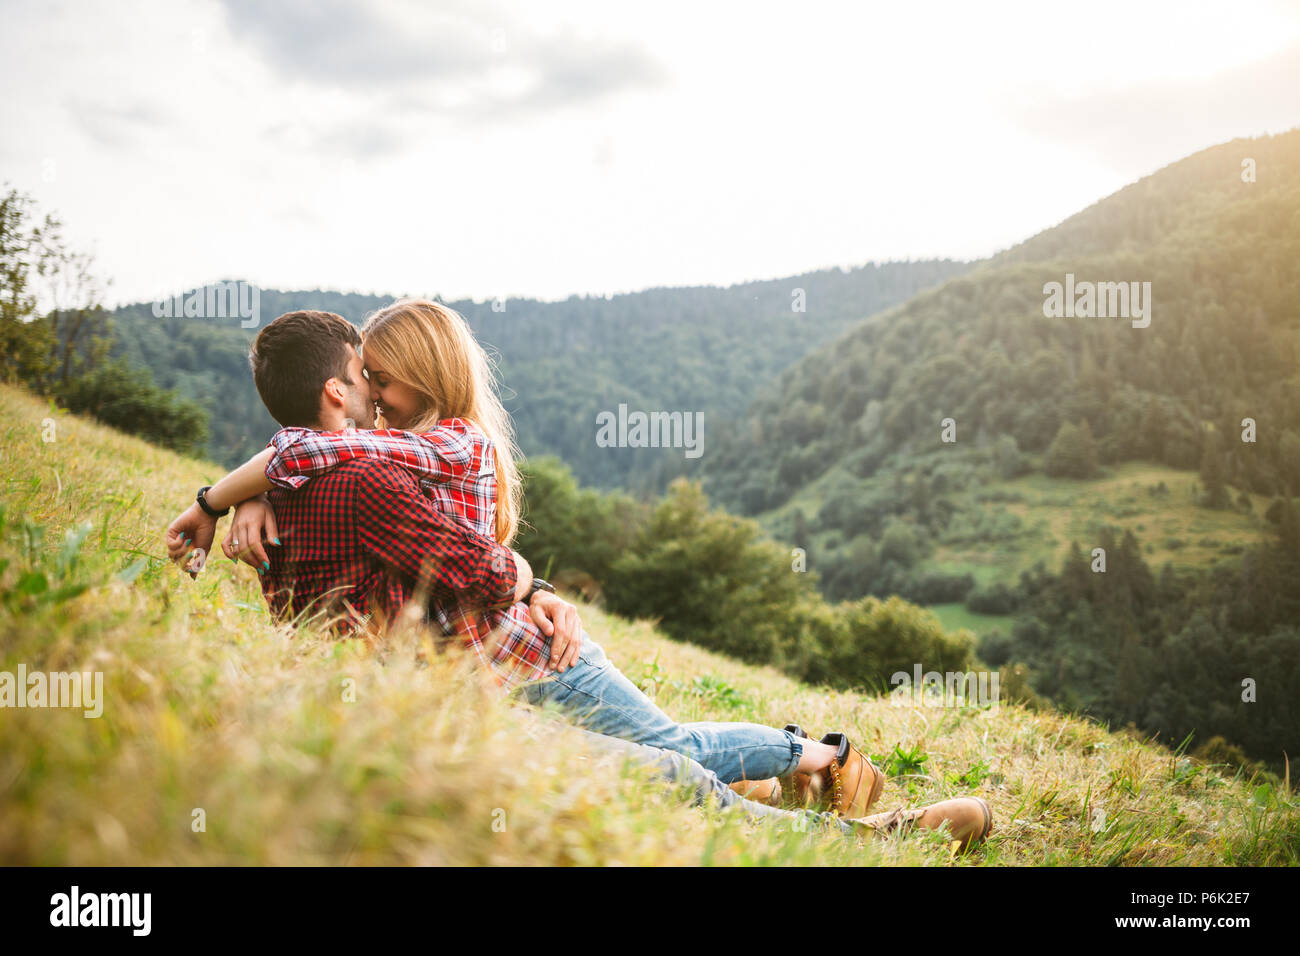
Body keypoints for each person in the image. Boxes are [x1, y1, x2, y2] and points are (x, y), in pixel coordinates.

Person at [164, 306, 992, 851]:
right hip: (466, 682)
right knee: (673, 764)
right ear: (335, 391)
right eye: (365, 376)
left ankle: (819, 771)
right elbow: (481, 568)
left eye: (385, 376)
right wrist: (520, 572)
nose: (376, 395)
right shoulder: (353, 475)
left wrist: (222, 496)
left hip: (508, 658)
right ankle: (843, 819)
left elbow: (308, 460)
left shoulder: (352, 469)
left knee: (673, 754)